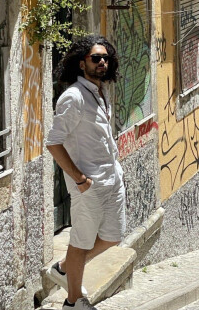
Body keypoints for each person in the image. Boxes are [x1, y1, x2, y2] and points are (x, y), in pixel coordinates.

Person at [45, 35, 126, 310]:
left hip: (111, 179)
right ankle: (73, 301)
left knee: (113, 236)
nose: (102, 62)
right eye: (95, 58)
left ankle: (65, 268)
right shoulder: (74, 98)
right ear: (82, 64)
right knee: (80, 241)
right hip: (87, 185)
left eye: (105, 58)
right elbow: (53, 143)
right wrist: (79, 178)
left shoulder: (100, 93)